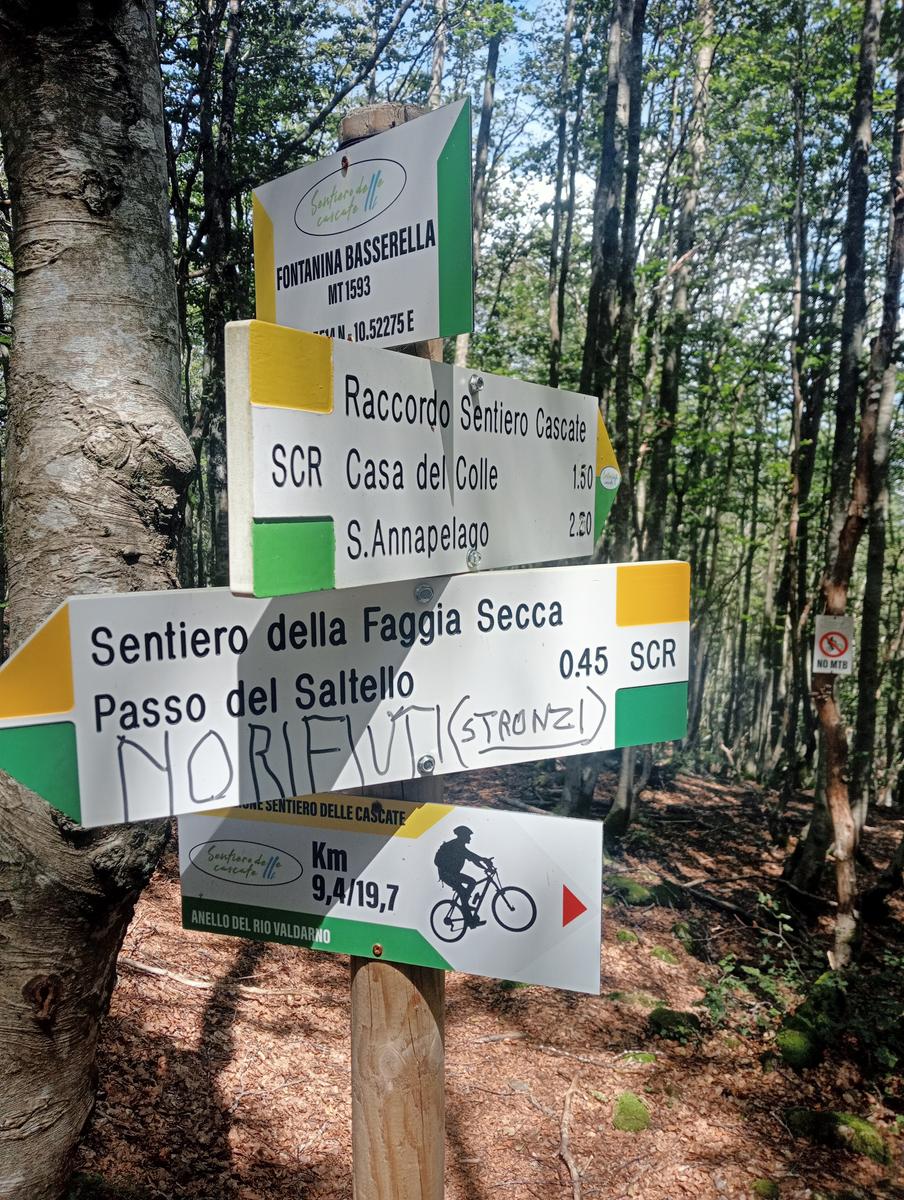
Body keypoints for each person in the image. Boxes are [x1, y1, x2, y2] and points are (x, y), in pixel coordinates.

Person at [433, 826, 493, 927]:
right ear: (463, 836)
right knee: (464, 892)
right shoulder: (455, 845)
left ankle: (465, 901)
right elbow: (472, 856)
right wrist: (484, 861)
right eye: (468, 836)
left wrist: (485, 866)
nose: (469, 838)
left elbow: (473, 859)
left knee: (471, 883)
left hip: (453, 874)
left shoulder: (460, 845)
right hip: (447, 874)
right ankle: (469, 920)